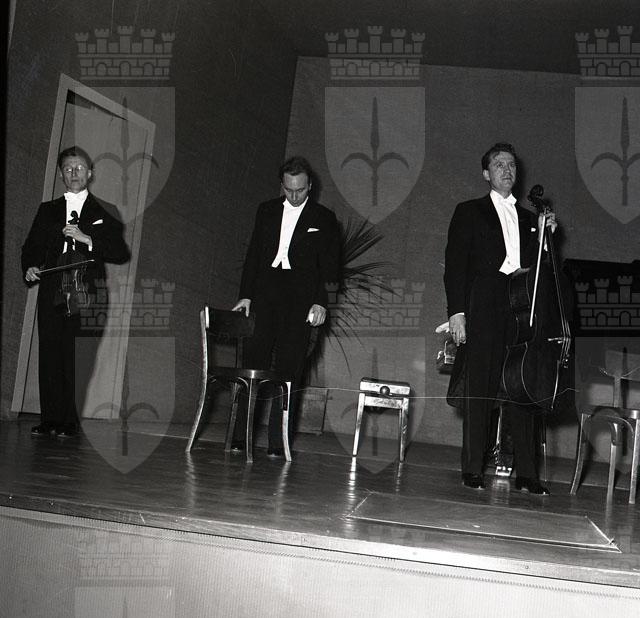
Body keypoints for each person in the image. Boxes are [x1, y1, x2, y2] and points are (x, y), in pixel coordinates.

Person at [444, 143, 556, 494]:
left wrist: (546, 238)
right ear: (486, 173)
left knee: (522, 387)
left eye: (511, 165)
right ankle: (472, 468)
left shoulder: (530, 219)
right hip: (483, 306)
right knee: (479, 389)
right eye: (499, 164)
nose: (507, 170)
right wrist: (457, 313)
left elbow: (541, 271)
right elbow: (455, 266)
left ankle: (527, 474)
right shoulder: (469, 211)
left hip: (520, 310)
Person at [232, 156, 340, 457]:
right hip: (264, 296)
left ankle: (277, 443)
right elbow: (253, 255)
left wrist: (322, 302)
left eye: (300, 190)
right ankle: (240, 436)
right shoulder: (266, 210)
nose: (294, 196)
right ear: (282, 185)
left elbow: (331, 267)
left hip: (300, 302)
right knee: (251, 368)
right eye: (289, 190)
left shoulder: (324, 218)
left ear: (310, 186)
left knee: (289, 373)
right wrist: (245, 295)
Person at [22, 146, 130, 437]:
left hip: (87, 293)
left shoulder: (105, 211)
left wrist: (87, 238)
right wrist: (30, 267)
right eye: (68, 169)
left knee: (78, 358)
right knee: (50, 354)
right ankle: (49, 420)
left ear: (90, 173)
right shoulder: (47, 210)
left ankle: (70, 422)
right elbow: (31, 247)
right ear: (61, 174)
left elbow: (120, 252)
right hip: (52, 292)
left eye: (79, 168)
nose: (74, 173)